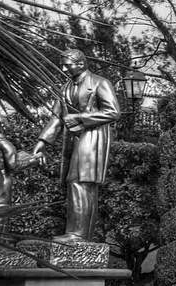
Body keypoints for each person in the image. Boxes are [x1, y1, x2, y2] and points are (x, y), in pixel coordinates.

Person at [24, 47, 121, 242]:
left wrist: (80, 117)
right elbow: (56, 118)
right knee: (78, 183)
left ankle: (77, 235)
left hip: (92, 138)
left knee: (80, 182)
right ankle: (80, 235)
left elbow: (113, 112)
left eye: (67, 65)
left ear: (81, 64)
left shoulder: (100, 83)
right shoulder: (65, 87)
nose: (64, 68)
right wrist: (42, 142)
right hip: (74, 140)